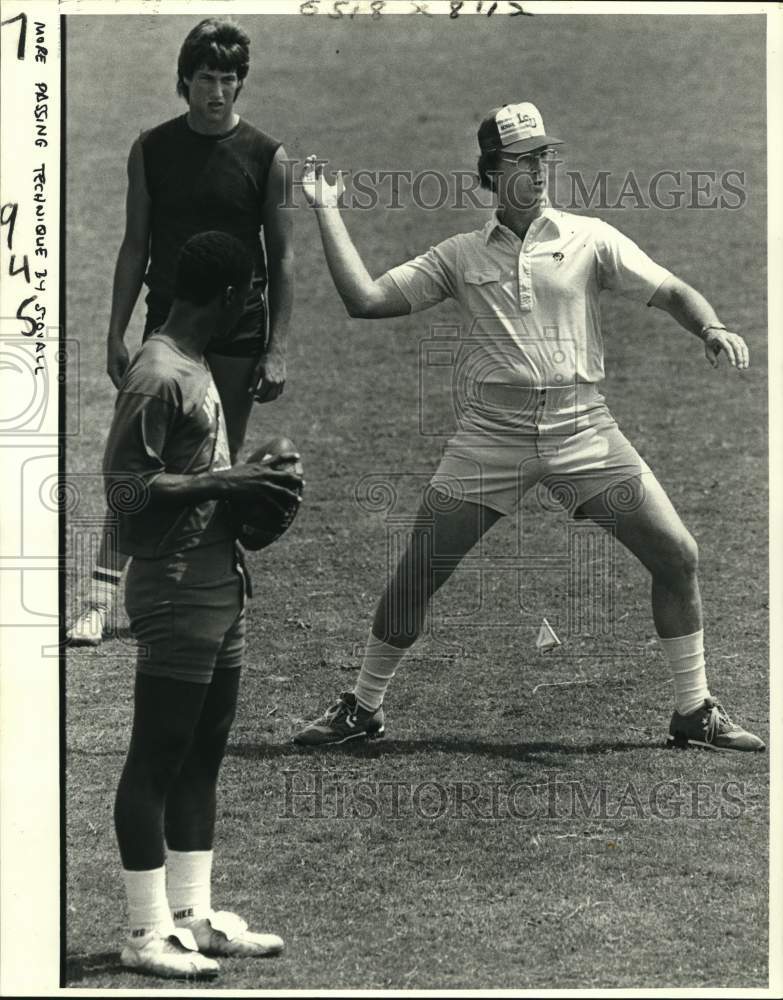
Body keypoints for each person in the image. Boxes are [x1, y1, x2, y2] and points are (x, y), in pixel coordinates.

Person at [293, 102, 764, 753]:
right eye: (523, 158)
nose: (540, 168)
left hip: (583, 431)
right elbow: (364, 300)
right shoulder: (457, 256)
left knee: (677, 555)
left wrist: (709, 327)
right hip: (490, 439)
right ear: (491, 171)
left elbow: (672, 290)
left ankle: (693, 710)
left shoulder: (588, 238)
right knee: (417, 575)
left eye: (544, 155)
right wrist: (326, 209)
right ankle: (363, 707)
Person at [105, 231, 303, 980]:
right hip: (174, 587)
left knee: (202, 755)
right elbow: (122, 491)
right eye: (250, 296)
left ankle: (192, 917)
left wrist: (246, 476)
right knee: (155, 755)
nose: (253, 308)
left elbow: (195, 468)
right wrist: (226, 486)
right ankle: (143, 930)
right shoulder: (156, 375)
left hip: (221, 581)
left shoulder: (194, 366)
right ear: (225, 297)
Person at [68, 16, 293, 646]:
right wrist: (116, 333)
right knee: (140, 466)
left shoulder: (267, 157)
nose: (216, 91)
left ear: (240, 84)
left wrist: (276, 346)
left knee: (216, 467)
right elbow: (133, 245)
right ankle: (95, 598)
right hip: (168, 332)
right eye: (204, 79)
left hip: (239, 334)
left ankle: (208, 581)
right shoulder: (152, 148)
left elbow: (283, 260)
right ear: (184, 81)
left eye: (227, 79)